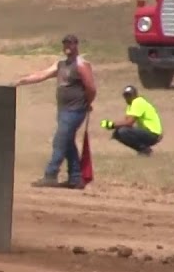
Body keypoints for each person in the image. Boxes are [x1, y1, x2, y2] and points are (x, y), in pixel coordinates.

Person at [13, 33, 97, 189]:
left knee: (59, 141)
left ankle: (50, 174)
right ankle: (76, 178)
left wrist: (88, 103)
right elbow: (42, 75)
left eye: (70, 43)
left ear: (76, 45)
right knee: (67, 142)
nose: (67, 46)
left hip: (75, 110)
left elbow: (91, 87)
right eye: (65, 43)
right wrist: (22, 81)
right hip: (64, 110)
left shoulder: (81, 65)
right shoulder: (61, 64)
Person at [101, 85, 163, 156]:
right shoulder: (131, 105)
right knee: (118, 133)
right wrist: (114, 126)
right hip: (148, 132)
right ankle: (143, 150)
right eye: (126, 95)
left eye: (129, 95)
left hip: (153, 134)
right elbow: (126, 122)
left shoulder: (137, 102)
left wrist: (111, 125)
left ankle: (144, 150)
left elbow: (129, 123)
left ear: (135, 95)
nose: (127, 98)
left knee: (123, 131)